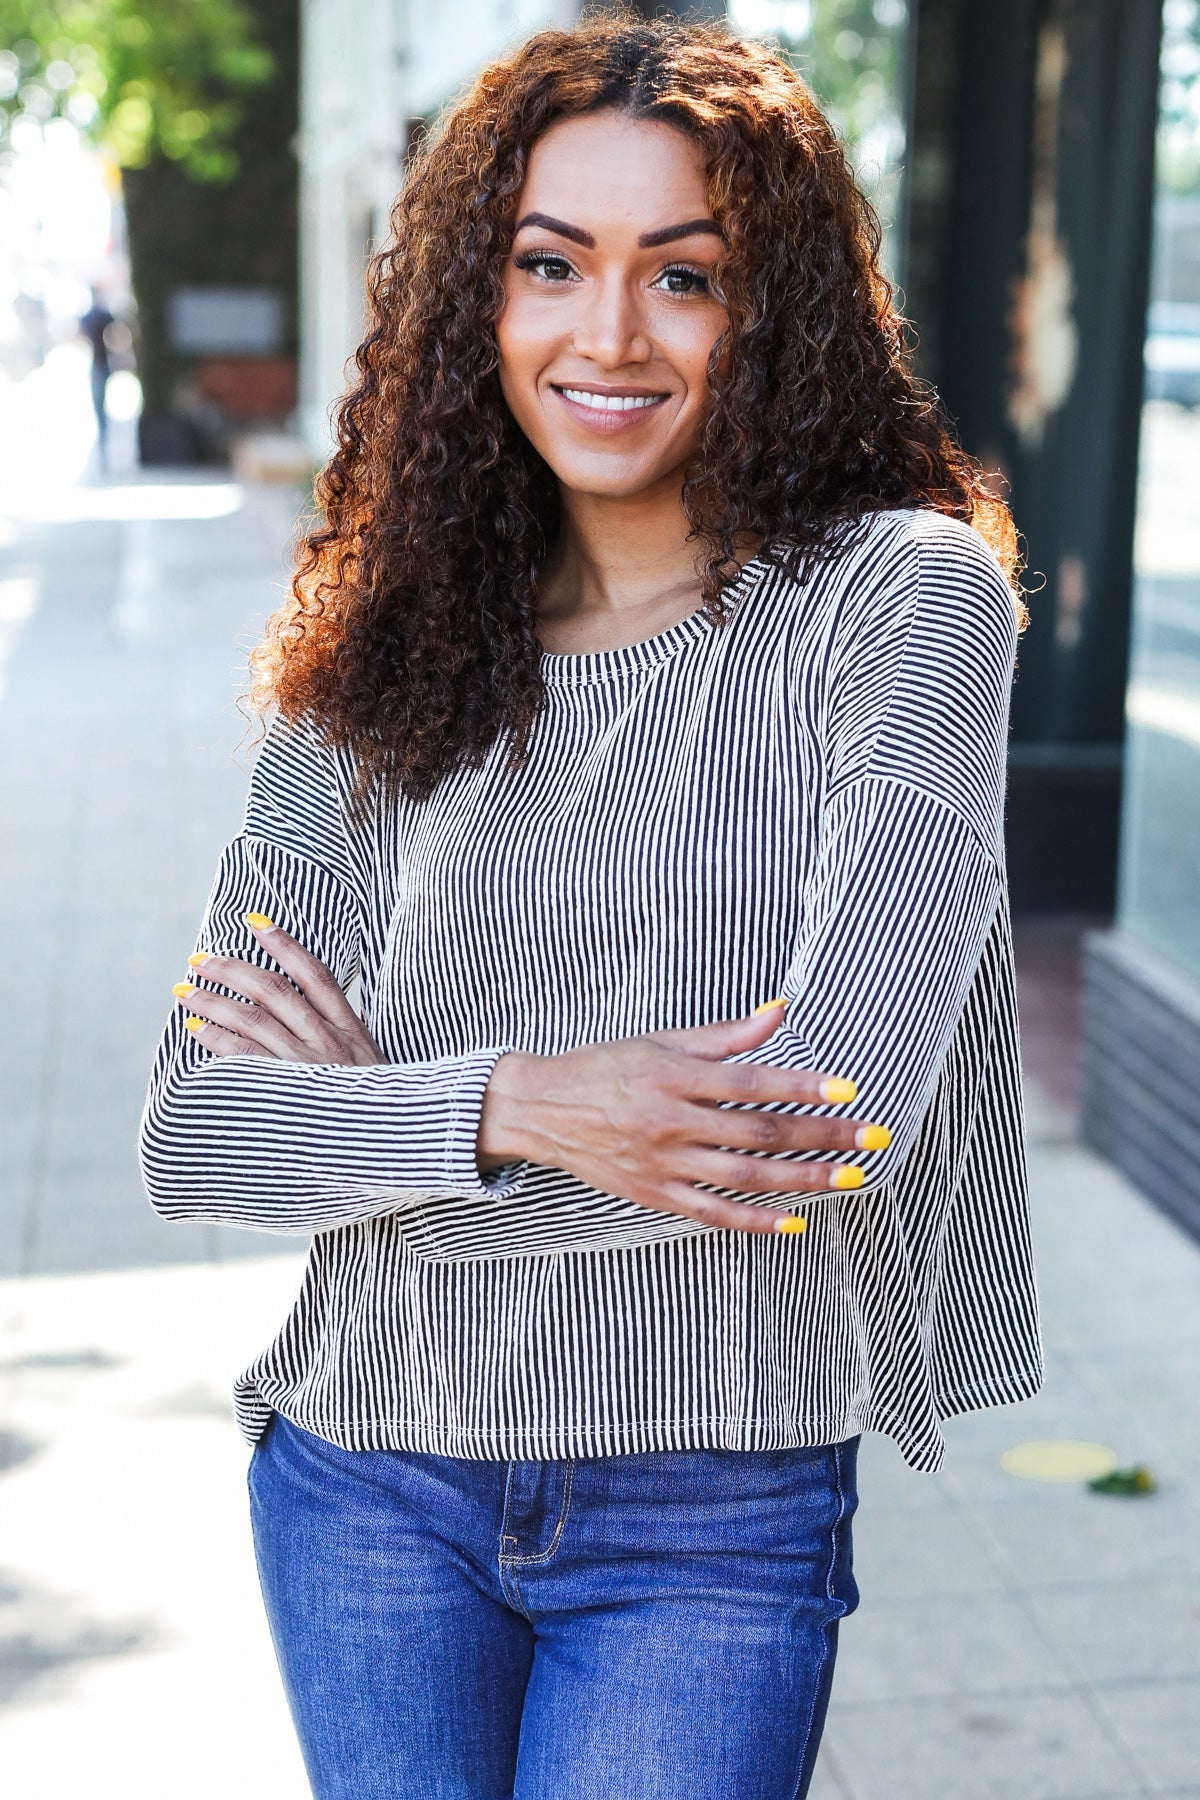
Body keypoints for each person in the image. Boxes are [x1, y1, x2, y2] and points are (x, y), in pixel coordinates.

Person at [140, 15, 1041, 1799]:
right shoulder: (370, 663)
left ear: (772, 305)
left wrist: (374, 1124)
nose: (605, 335)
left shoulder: (896, 606)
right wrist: (519, 1102)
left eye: (682, 276)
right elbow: (195, 1138)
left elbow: (818, 1124)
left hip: (708, 1505)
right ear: (481, 298)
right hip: (365, 1483)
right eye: (550, 265)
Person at [79, 287, 114, 464]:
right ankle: (103, 437)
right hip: (99, 365)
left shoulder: (97, 316)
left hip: (101, 365)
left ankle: (104, 437)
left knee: (100, 403)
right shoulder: (97, 316)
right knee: (100, 404)